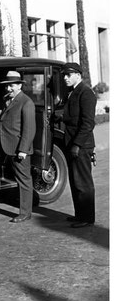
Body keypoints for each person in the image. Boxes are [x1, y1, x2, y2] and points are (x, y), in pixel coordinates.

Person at [0, 71, 36, 223]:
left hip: (18, 147)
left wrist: (23, 150)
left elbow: (29, 129)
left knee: (24, 180)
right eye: (7, 86)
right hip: (3, 142)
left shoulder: (26, 102)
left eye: (11, 85)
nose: (8, 88)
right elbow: (1, 122)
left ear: (19, 86)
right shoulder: (7, 100)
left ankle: (25, 213)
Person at [61, 62, 97, 228]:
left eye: (68, 75)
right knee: (75, 181)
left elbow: (88, 123)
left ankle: (87, 217)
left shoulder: (86, 92)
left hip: (81, 145)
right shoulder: (73, 92)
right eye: (64, 75)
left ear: (77, 74)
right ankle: (80, 214)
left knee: (83, 182)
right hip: (72, 143)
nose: (65, 78)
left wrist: (77, 144)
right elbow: (71, 117)